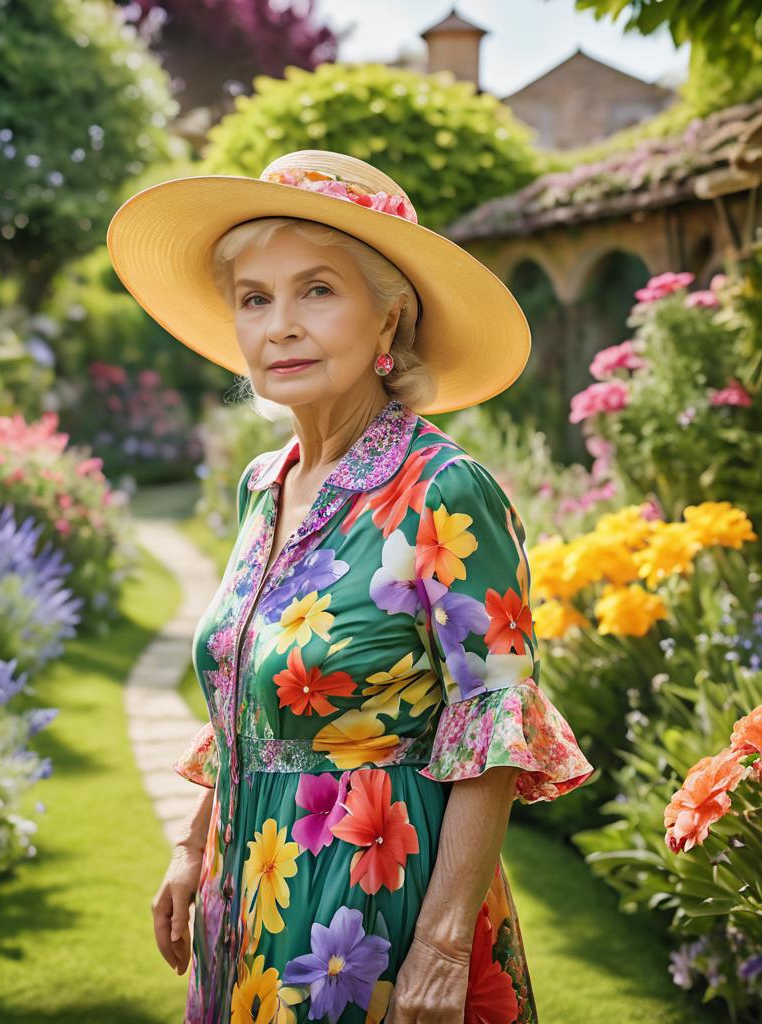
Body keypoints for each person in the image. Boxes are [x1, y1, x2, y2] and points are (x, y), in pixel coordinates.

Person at [107, 149, 595, 1024]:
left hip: (375, 905)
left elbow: (494, 725)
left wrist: (444, 942)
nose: (279, 325)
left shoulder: (443, 491)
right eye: (255, 298)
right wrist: (191, 850)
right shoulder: (265, 481)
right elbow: (245, 690)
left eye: (317, 290)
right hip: (247, 892)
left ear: (388, 321)